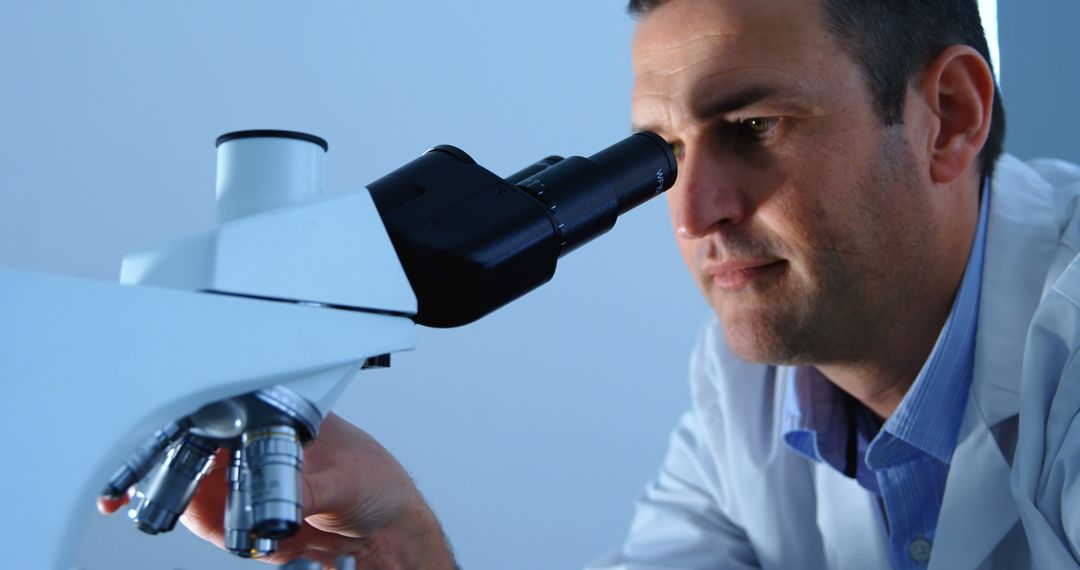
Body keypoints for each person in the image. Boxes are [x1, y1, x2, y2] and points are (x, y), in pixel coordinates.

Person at [100, 0, 1080, 568]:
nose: (692, 214)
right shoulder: (748, 389)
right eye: (661, 154)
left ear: (948, 117)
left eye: (754, 128)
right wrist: (411, 544)